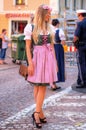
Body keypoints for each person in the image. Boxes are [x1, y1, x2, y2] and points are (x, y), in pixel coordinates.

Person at [24, 4, 58, 129]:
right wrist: (30, 64)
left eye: (50, 14)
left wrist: (55, 63)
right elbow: (28, 47)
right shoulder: (31, 27)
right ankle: (37, 114)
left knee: (40, 86)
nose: (49, 16)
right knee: (39, 86)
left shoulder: (50, 28)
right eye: (47, 14)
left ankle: (40, 113)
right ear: (42, 14)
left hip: (48, 58)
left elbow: (52, 47)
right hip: (37, 58)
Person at [50, 19, 66, 91]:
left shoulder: (50, 30)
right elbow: (63, 42)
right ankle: (54, 83)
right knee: (58, 64)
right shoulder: (60, 30)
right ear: (57, 24)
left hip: (50, 48)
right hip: (58, 48)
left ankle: (53, 83)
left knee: (52, 65)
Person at [73, 9, 86, 88]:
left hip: (82, 46)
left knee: (81, 64)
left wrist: (75, 44)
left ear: (81, 15)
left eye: (78, 16)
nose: (78, 18)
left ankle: (83, 82)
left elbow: (76, 37)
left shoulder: (80, 24)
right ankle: (79, 80)